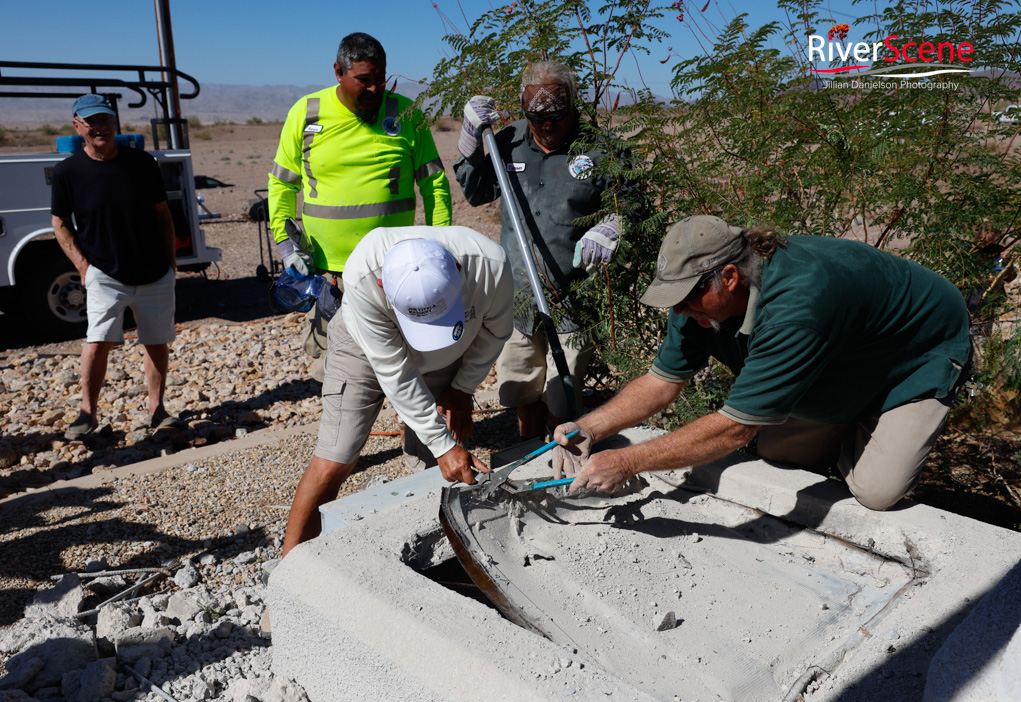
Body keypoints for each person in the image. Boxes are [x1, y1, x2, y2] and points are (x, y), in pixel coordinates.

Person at [552, 216, 973, 511]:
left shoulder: (798, 306)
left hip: (913, 354)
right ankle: (841, 416)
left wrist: (628, 461)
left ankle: (871, 423)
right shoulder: (696, 303)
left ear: (729, 277)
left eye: (684, 297)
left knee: (878, 491)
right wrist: (590, 428)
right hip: (839, 351)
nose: (677, 310)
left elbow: (737, 428)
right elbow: (662, 382)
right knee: (778, 455)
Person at [282, 225, 513, 555]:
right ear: (383, 286)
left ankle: (437, 556)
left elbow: (495, 331)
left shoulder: (490, 264)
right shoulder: (364, 276)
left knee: (438, 467)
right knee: (336, 456)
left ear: (458, 271)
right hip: (362, 346)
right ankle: (291, 573)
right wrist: (441, 444)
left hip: (451, 346)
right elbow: (396, 373)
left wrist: (462, 388)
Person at [453, 60, 625, 439]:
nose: (547, 127)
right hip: (516, 295)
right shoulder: (509, 142)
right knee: (520, 388)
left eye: (557, 118)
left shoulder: (600, 150)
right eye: (537, 118)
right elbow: (476, 192)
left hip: (574, 296)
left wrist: (614, 224)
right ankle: (528, 447)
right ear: (524, 108)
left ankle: (564, 451)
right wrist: (469, 139)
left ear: (573, 105)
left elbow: (633, 204)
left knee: (565, 396)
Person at [268, 32, 452, 381]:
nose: (373, 89)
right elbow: (281, 183)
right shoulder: (307, 114)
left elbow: (434, 184)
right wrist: (287, 245)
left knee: (411, 372)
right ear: (338, 72)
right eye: (363, 80)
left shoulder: (406, 115)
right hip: (329, 278)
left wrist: (439, 244)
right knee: (338, 376)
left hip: (396, 274)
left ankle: (416, 433)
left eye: (380, 80)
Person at [50, 94, 184, 442]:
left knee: (156, 342)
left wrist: (170, 261)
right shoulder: (68, 172)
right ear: (77, 126)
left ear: (115, 124)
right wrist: (82, 265)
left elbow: (162, 214)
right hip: (105, 274)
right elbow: (60, 222)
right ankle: (87, 412)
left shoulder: (143, 163)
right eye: (92, 122)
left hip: (154, 271)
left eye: (106, 120)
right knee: (97, 342)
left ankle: (158, 409)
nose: (100, 128)